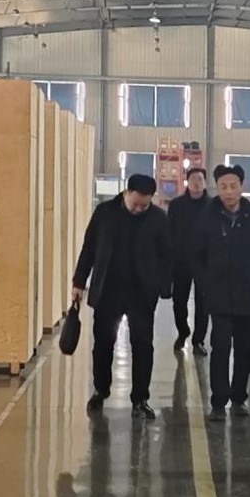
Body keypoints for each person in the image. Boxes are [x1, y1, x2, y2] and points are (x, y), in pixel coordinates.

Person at [72, 174, 172, 420]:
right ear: (126, 193)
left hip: (141, 293)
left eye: (144, 205)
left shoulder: (158, 219)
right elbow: (89, 247)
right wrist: (79, 282)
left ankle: (140, 399)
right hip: (108, 290)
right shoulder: (104, 213)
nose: (138, 209)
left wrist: (163, 286)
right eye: (135, 203)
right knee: (103, 343)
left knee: (143, 346)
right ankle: (101, 389)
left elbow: (167, 255)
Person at [193, 165, 250, 420]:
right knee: (220, 348)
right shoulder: (206, 220)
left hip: (249, 296)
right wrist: (206, 282)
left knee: (244, 350)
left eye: (233, 186)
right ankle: (218, 402)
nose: (228, 192)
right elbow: (196, 256)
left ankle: (239, 398)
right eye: (223, 187)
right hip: (218, 296)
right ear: (217, 189)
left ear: (242, 188)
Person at [168, 167, 210, 355]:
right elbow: (169, 232)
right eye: (193, 179)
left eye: (200, 179)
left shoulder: (212, 205)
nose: (196, 183)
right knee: (179, 300)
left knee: (204, 303)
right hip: (181, 261)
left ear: (205, 182)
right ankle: (182, 331)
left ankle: (198, 340)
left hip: (205, 262)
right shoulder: (176, 205)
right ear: (187, 182)